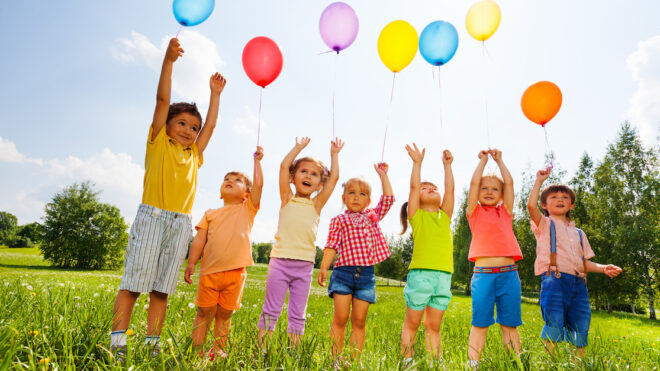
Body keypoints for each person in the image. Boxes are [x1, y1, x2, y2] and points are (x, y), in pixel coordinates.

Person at [110, 37, 226, 360]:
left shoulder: (195, 155)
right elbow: (162, 100)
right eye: (183, 124)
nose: (190, 130)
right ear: (168, 125)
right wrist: (168, 62)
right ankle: (117, 343)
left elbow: (212, 126)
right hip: (153, 217)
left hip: (180, 226)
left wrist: (214, 95)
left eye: (194, 127)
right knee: (133, 284)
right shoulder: (158, 141)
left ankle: (151, 344)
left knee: (161, 289)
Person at [258, 137, 344, 346]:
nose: (308, 176)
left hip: (304, 266)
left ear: (318, 184)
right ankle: (261, 350)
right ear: (293, 177)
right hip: (279, 262)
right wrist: (298, 148)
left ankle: (293, 351)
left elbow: (333, 180)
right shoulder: (287, 197)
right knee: (271, 309)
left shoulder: (317, 204)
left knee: (297, 312)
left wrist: (334, 155)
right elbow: (283, 165)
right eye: (303, 171)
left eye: (314, 174)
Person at [527, 168, 622, 357]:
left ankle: (577, 364)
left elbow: (583, 263)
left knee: (580, 324)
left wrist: (603, 268)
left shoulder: (579, 233)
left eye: (564, 197)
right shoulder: (544, 225)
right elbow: (531, 206)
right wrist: (539, 181)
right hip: (555, 281)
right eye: (553, 197)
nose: (560, 199)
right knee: (554, 322)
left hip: (579, 284)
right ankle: (551, 364)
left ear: (571, 205)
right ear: (544, 205)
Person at [184, 146, 264, 360]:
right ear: (220, 191)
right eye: (227, 178)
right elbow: (199, 239)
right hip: (209, 272)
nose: (230, 180)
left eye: (237, 180)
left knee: (224, 314)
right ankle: (197, 350)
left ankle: (218, 350)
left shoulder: (247, 209)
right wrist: (191, 263)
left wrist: (257, 162)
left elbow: (259, 186)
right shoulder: (210, 214)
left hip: (235, 274)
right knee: (203, 312)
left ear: (246, 194)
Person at [318, 164, 394, 366]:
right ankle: (335, 357)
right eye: (351, 193)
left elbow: (388, 200)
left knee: (359, 321)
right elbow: (332, 245)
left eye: (362, 194)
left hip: (366, 276)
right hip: (343, 273)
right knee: (341, 318)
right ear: (343, 198)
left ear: (368, 201)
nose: (356, 197)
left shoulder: (372, 218)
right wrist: (324, 267)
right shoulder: (339, 220)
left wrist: (383, 175)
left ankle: (354, 359)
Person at [466, 149, 523, 368]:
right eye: (484, 188)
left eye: (494, 189)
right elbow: (473, 184)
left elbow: (509, 183)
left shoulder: (505, 211)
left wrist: (499, 161)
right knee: (480, 323)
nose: (489, 192)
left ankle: (515, 364)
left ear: (501, 194)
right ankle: (473, 364)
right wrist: (482, 161)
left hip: (509, 276)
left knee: (509, 324)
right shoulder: (474, 212)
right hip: (483, 276)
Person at [399, 144, 455, 364]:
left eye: (434, 187)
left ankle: (434, 363)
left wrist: (447, 166)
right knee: (412, 323)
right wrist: (417, 163)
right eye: (425, 188)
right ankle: (407, 362)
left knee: (434, 326)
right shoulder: (417, 216)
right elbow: (413, 188)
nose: (431, 188)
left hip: (443, 277)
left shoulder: (445, 216)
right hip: (420, 275)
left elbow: (449, 190)